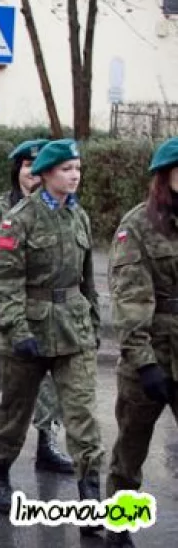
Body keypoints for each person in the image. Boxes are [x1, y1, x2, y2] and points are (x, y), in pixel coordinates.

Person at [0, 139, 103, 535]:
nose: (74, 176)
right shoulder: (18, 219)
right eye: (67, 169)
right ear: (47, 174)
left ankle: (91, 499)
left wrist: (95, 321)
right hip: (28, 332)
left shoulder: (78, 217)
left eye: (78, 169)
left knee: (82, 415)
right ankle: (0, 476)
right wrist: (17, 330)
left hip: (73, 330)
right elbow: (3, 284)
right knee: (15, 413)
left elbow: (87, 280)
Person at [0, 140, 73, 474]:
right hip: (0, 310)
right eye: (25, 166)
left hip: (43, 313)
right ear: (17, 170)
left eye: (38, 167)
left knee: (48, 380)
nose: (31, 174)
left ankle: (47, 442)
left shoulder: (60, 209)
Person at [105, 138, 178, 547]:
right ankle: (119, 523)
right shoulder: (137, 226)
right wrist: (145, 362)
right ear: (165, 177)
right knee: (131, 448)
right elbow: (131, 300)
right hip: (151, 350)